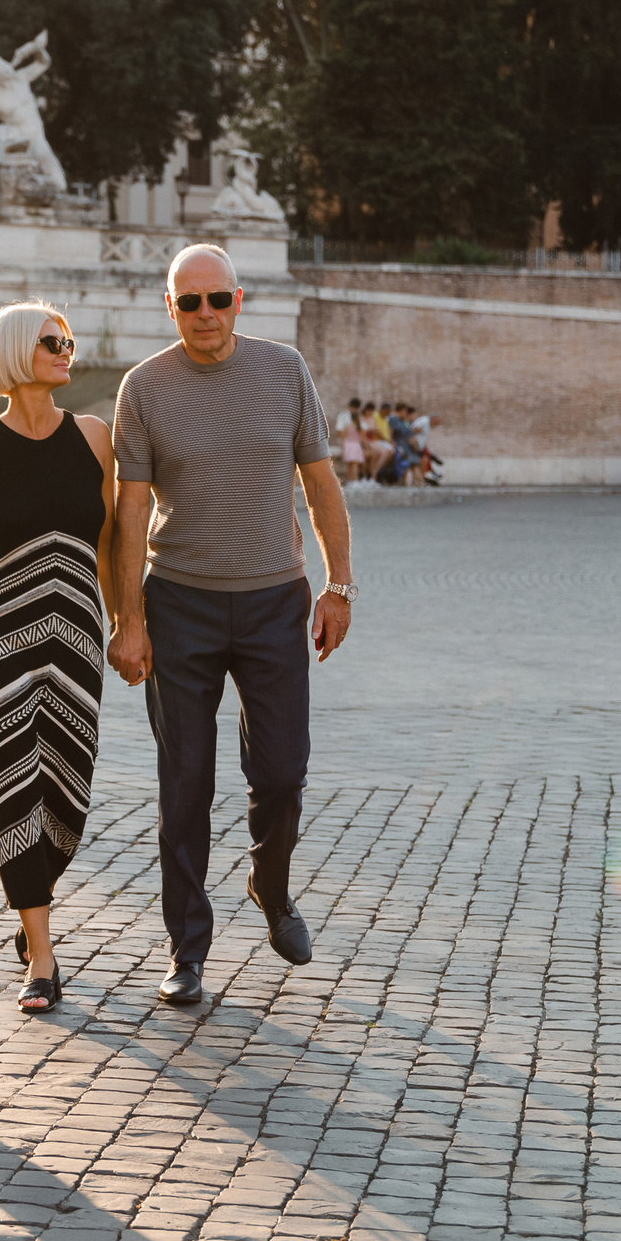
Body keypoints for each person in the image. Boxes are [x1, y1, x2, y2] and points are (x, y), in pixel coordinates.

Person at [107, 244, 356, 1008]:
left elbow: (320, 483)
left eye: (218, 300)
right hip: (178, 601)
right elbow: (131, 511)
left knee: (281, 771)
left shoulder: (284, 371)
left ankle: (270, 886)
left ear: (239, 301)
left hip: (276, 599)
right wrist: (128, 620)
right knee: (183, 782)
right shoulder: (143, 388)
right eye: (190, 303)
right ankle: (187, 948)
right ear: (171, 307)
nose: (205, 315)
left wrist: (338, 584)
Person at [0, 302, 120, 1013]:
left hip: (77, 629)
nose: (65, 351)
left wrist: (125, 621)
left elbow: (107, 544)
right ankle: (41, 953)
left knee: (68, 788)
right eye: (52, 342)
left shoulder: (97, 438)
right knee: (17, 781)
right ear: (17, 351)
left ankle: (32, 896)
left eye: (68, 342)